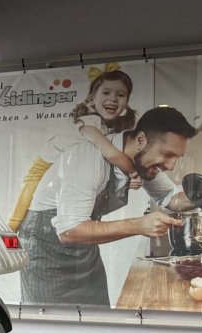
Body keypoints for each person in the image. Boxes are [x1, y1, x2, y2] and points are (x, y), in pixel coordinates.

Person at [20, 106, 200, 307]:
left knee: (97, 325)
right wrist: (139, 225)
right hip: (47, 252)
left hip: (83, 251)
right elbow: (69, 230)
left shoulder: (140, 161)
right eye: (167, 154)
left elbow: (170, 197)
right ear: (141, 140)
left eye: (177, 157)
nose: (171, 165)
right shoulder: (87, 156)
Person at [9, 67, 142, 232]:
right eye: (106, 93)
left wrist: (128, 180)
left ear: (126, 103)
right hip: (43, 166)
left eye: (120, 95)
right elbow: (112, 154)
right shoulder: (88, 123)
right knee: (20, 212)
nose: (113, 99)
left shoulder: (107, 127)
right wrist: (134, 172)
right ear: (92, 98)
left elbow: (108, 166)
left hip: (62, 176)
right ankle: (10, 231)